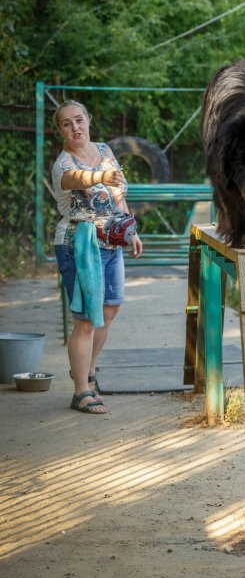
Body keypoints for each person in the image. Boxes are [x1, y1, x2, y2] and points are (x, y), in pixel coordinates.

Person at [51, 100, 143, 414]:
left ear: (88, 120)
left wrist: (130, 229)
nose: (75, 127)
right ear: (60, 130)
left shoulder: (104, 150)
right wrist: (98, 178)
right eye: (67, 123)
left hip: (111, 242)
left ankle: (87, 373)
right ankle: (81, 392)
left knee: (111, 308)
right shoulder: (63, 164)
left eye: (79, 120)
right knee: (87, 319)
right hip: (78, 245)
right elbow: (77, 179)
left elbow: (118, 192)